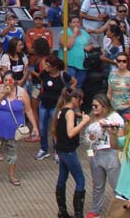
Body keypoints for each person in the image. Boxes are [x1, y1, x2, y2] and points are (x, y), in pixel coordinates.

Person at [0, 71, 39, 187]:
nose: (8, 83)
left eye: (10, 80)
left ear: (15, 81)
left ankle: (12, 176)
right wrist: (3, 95)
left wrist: (34, 126)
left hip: (13, 129)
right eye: (5, 80)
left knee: (12, 151)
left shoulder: (22, 93)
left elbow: (28, 110)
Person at [85, 94, 124, 218]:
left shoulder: (114, 116)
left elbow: (121, 132)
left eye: (96, 106)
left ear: (104, 106)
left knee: (117, 185)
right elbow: (87, 137)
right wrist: (90, 138)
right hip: (95, 153)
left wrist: (107, 127)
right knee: (97, 186)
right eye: (93, 106)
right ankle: (95, 211)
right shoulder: (91, 117)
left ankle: (121, 211)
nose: (94, 108)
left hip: (110, 153)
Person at [53, 86, 90, 218]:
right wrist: (83, 122)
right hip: (68, 151)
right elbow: (70, 133)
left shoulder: (61, 111)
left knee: (62, 178)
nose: (82, 102)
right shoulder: (69, 113)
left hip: (61, 149)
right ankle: (78, 214)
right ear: (74, 99)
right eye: (80, 99)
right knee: (80, 180)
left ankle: (62, 211)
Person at [35, 55, 75, 160]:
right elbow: (41, 81)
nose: (46, 67)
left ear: (55, 67)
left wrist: (68, 91)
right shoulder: (44, 74)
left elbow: (74, 82)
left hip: (56, 106)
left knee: (55, 129)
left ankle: (57, 150)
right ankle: (43, 149)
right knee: (42, 128)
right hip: (44, 104)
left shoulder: (63, 75)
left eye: (48, 66)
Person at [60, 16, 93, 88]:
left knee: (79, 85)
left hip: (82, 65)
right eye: (74, 22)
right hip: (69, 64)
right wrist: (74, 34)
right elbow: (68, 46)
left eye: (78, 22)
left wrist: (89, 47)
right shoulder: (65, 32)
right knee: (70, 85)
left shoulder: (84, 33)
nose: (76, 24)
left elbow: (91, 44)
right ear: (70, 24)